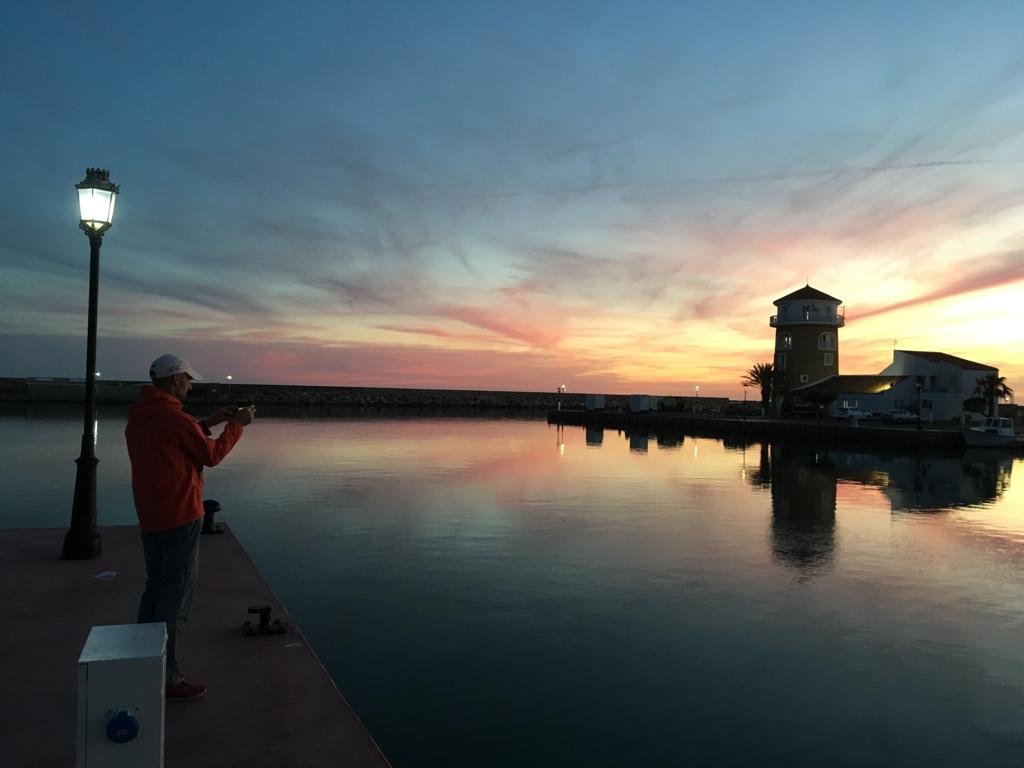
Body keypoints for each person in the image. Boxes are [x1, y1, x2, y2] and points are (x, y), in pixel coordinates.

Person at [125, 353, 254, 701]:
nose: (191, 385)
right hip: (180, 514)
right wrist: (236, 425)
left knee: (155, 590)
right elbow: (210, 456)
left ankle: (140, 661)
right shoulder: (174, 418)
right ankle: (166, 678)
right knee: (176, 597)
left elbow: (175, 440)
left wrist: (208, 421)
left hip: (150, 514)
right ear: (173, 380)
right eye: (187, 379)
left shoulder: (140, 415)